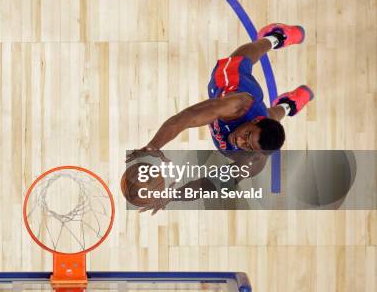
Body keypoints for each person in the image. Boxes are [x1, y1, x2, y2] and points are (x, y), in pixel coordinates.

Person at [124, 23, 314, 213]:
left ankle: (288, 104)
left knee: (270, 115)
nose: (239, 140)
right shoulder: (236, 105)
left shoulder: (252, 162)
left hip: (254, 124)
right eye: (246, 135)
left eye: (248, 145)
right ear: (254, 121)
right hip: (232, 85)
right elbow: (187, 117)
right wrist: (153, 146)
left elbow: (209, 184)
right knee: (242, 59)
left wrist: (171, 196)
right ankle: (277, 38)